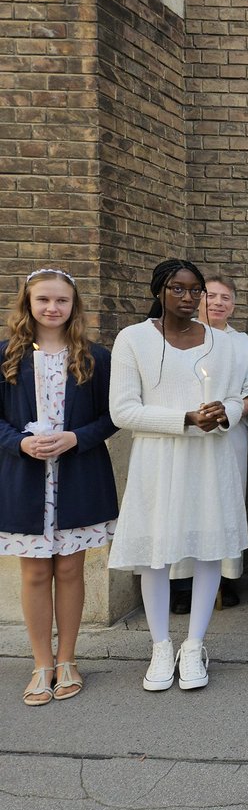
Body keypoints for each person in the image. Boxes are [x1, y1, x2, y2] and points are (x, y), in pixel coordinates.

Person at [108, 259, 248, 692]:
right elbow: (123, 409)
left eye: (195, 291)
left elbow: (240, 396)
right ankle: (160, 644)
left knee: (207, 547)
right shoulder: (133, 339)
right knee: (157, 549)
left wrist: (222, 413)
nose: (188, 298)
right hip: (158, 457)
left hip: (209, 457)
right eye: (178, 289)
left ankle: (194, 644)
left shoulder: (222, 345)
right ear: (159, 291)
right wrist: (184, 418)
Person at [0, 269, 118, 705]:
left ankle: (68, 659)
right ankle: (41, 663)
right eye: (43, 300)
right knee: (33, 571)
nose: (52, 308)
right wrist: (20, 442)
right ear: (27, 304)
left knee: (70, 569)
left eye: (61, 301)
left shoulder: (94, 358)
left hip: (78, 476)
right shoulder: (6, 357)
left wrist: (75, 438)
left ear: (74, 306)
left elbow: (112, 415)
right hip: (24, 478)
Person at [169, 274, 248, 610]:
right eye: (212, 296)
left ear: (233, 305)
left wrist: (229, 414)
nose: (218, 302)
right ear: (198, 300)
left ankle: (225, 579)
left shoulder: (242, 344)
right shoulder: (177, 337)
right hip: (187, 433)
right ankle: (181, 584)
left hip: (227, 434)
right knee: (186, 503)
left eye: (226, 298)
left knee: (223, 504)